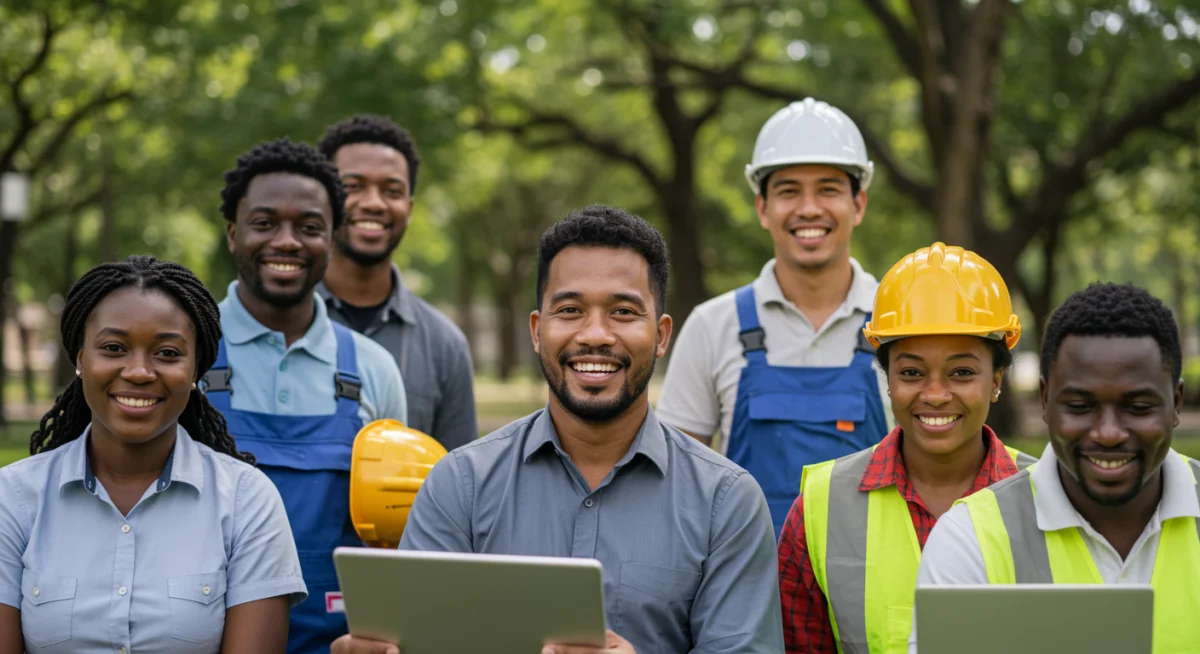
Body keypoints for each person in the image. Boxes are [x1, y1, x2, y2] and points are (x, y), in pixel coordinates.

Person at [330, 205, 784, 654]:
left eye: (624, 312)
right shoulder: (459, 486)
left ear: (662, 335)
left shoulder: (727, 503)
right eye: (569, 309)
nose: (595, 334)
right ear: (536, 329)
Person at [0, 256, 307, 654]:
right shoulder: (15, 498)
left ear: (196, 366)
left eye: (167, 353)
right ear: (79, 357)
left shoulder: (247, 501)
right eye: (113, 348)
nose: (140, 371)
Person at [910, 282, 1200, 653]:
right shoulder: (970, 539)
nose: (1108, 433)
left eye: (1138, 407)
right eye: (1080, 406)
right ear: (1046, 401)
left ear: (1176, 403)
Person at [775, 242, 1036, 654]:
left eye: (962, 372)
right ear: (888, 380)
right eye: (912, 372)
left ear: (997, 379)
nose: (934, 394)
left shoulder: (1050, 496)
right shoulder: (820, 508)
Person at [203, 137, 408, 654]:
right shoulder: (187, 358)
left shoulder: (373, 369)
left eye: (310, 227)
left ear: (333, 238)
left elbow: (400, 539)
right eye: (265, 223)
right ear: (233, 234)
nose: (287, 241)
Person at [656, 97, 892, 536]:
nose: (808, 209)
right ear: (762, 208)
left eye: (828, 188)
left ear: (858, 204)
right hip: (746, 590)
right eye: (788, 190)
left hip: (867, 594)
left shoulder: (903, 323)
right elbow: (676, 488)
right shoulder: (712, 326)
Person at [317, 115, 477, 450]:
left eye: (391, 191)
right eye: (353, 187)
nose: (374, 203)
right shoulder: (278, 323)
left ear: (409, 206)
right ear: (322, 199)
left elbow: (460, 483)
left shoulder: (444, 346)